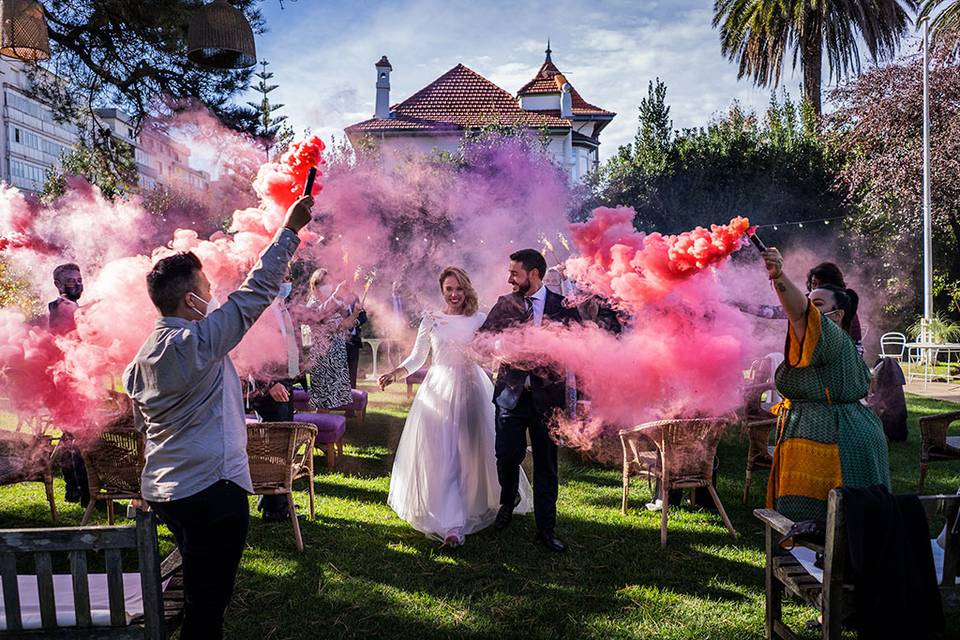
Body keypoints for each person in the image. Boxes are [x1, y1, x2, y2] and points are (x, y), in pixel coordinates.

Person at [123, 195, 313, 640]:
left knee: (198, 591)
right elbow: (257, 292)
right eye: (207, 289)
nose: (213, 295)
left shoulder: (140, 358)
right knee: (208, 609)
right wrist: (289, 230)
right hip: (212, 489)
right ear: (191, 300)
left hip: (167, 491)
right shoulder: (196, 343)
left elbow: (142, 425)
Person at [378, 267, 531, 547]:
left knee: (472, 451)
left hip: (472, 389)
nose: (454, 294)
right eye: (449, 289)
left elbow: (493, 354)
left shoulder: (480, 319)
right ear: (442, 290)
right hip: (439, 391)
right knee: (445, 454)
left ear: (467, 289)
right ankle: (453, 524)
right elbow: (417, 358)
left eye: (459, 288)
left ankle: (480, 502)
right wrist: (395, 373)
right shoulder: (432, 319)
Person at [760, 247, 890, 522]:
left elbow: (799, 313)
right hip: (838, 429)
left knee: (838, 523)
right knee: (835, 525)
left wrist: (779, 276)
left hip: (841, 438)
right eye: (810, 299)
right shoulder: (825, 341)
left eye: (818, 305)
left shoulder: (831, 335)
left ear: (838, 315)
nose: (810, 307)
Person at [477, 249, 579, 553]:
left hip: (549, 400)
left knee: (547, 466)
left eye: (514, 273)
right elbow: (482, 340)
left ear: (533, 274)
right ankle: (508, 502)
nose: (509, 278)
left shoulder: (563, 307)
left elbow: (582, 348)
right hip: (511, 395)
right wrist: (499, 347)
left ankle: (546, 529)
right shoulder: (504, 304)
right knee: (507, 456)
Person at [247, 274, 303, 522]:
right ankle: (274, 507)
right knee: (273, 445)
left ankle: (276, 500)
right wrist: (269, 384)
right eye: (283, 276)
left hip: (286, 381)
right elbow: (250, 351)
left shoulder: (281, 306)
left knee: (281, 445)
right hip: (269, 386)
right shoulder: (261, 307)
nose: (287, 281)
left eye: (290, 277)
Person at [736, 261, 864, 355]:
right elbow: (773, 312)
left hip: (844, 359)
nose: (817, 288)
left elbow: (856, 347)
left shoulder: (844, 303)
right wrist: (740, 304)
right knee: (774, 358)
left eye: (823, 284)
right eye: (814, 284)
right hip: (815, 360)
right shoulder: (806, 301)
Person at [47, 263, 89, 505]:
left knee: (70, 437)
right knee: (81, 437)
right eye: (72, 280)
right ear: (58, 284)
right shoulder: (64, 306)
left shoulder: (67, 307)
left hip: (68, 380)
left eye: (79, 279)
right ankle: (86, 494)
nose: (78, 283)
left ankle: (74, 490)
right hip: (68, 382)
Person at [305, 269, 360, 409]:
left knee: (330, 403)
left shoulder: (332, 305)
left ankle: (327, 428)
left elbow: (344, 326)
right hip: (323, 359)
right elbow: (339, 326)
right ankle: (321, 430)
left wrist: (355, 314)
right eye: (324, 283)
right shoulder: (314, 305)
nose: (328, 286)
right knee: (323, 404)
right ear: (315, 286)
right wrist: (355, 315)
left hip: (335, 356)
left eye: (330, 283)